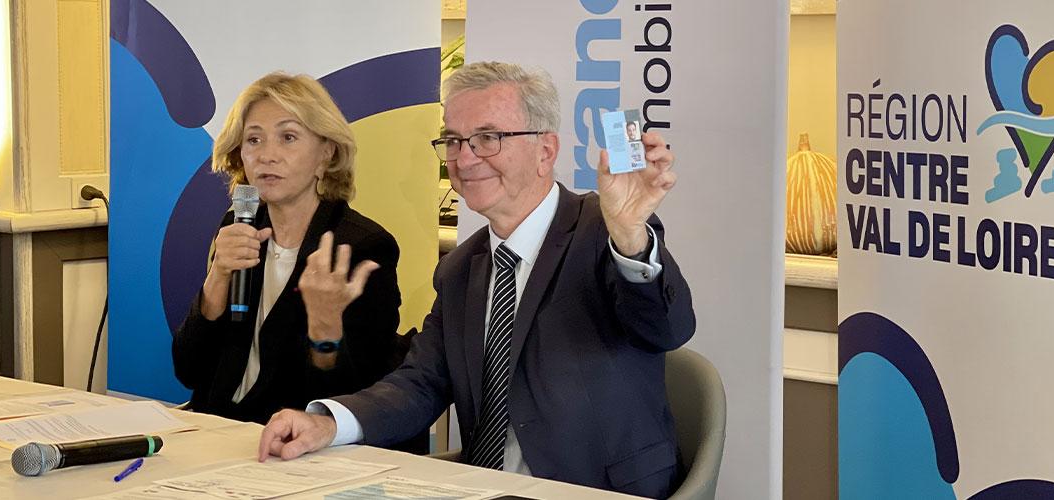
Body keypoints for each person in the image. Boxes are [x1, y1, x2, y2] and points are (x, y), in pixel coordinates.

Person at [258, 62, 694, 498]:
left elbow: (666, 329)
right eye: (453, 141)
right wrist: (328, 424)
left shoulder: (605, 230)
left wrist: (631, 236)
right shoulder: (460, 269)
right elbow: (421, 383)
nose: (464, 159)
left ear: (545, 151)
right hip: (484, 488)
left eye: (488, 138)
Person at [173, 73, 424, 453]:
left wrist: (325, 325)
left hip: (296, 449)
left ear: (327, 153)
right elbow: (188, 369)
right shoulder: (238, 228)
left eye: (288, 137)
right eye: (254, 140)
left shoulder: (361, 247)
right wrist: (217, 278)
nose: (266, 155)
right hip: (219, 435)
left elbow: (350, 404)